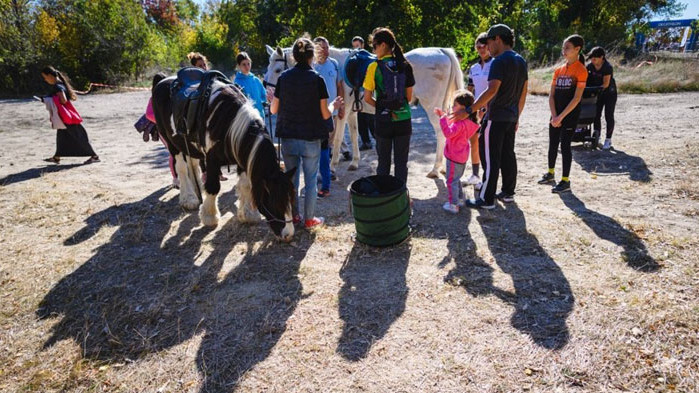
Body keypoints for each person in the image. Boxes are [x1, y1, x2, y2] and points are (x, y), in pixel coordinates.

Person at [271, 37, 343, 228]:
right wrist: (333, 105)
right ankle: (309, 219)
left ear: (293, 56)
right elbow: (325, 113)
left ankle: (294, 217)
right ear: (313, 55)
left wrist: (272, 98)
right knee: (311, 181)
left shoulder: (283, 78)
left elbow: (273, 110)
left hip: (288, 136)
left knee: (291, 180)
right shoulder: (317, 79)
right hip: (311, 137)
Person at [454, 24, 528, 210]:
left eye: (489, 42)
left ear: (498, 39)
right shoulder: (521, 61)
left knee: (490, 158)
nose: (487, 47)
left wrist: (469, 109)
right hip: (511, 116)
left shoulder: (498, 61)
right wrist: (517, 116)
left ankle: (486, 199)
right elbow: (523, 93)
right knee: (508, 154)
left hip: (496, 117)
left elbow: (492, 90)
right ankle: (508, 192)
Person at [363, 27, 415, 185]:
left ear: (383, 45)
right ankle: (400, 198)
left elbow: (367, 98)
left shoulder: (374, 67)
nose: (373, 50)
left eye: (374, 46)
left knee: (383, 163)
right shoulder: (406, 65)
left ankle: (383, 198)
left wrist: (380, 107)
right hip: (403, 119)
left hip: (383, 121)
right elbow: (409, 97)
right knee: (401, 164)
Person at [538, 34, 588, 193]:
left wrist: (561, 117)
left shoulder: (581, 70)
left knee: (565, 146)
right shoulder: (559, 70)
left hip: (569, 116)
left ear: (577, 49)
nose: (564, 51)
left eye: (567, 48)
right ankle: (550, 173)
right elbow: (551, 95)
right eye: (563, 47)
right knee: (552, 144)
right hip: (555, 115)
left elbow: (577, 98)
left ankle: (565, 181)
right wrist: (554, 116)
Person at [40, 66, 100, 164]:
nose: (45, 80)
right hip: (65, 114)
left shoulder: (58, 86)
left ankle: (94, 156)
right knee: (62, 136)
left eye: (45, 77)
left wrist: (48, 100)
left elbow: (63, 100)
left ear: (50, 75)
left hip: (65, 115)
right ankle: (56, 157)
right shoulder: (60, 84)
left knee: (78, 135)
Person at [434, 90, 480, 213]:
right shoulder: (468, 122)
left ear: (463, 108)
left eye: (455, 105)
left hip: (454, 156)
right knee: (456, 178)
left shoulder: (460, 123)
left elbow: (448, 133)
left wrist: (443, 119)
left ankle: (453, 204)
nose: (452, 107)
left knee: (451, 181)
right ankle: (459, 199)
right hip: (461, 156)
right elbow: (453, 129)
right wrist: (445, 116)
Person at [313, 36, 345, 198]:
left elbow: (340, 86)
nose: (326, 50)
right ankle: (321, 174)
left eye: (327, 47)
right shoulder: (312, 66)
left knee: (329, 143)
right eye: (322, 47)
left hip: (332, 113)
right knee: (319, 145)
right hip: (316, 115)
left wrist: (342, 106)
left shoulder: (334, 63)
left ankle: (326, 170)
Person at [465, 32, 493, 187]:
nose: (481, 49)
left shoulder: (495, 64)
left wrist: (485, 108)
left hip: (490, 109)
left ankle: (487, 177)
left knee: (487, 145)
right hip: (475, 110)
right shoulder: (474, 67)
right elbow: (470, 90)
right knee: (474, 142)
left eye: (484, 46)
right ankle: (475, 176)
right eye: (478, 46)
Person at [144, 73, 178, 188]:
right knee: (173, 152)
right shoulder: (154, 98)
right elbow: (148, 114)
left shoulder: (170, 95)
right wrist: (161, 120)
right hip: (162, 129)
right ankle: (175, 178)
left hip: (172, 127)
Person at [586, 46, 617, 150]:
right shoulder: (590, 66)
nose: (593, 60)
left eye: (595, 58)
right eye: (592, 58)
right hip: (597, 93)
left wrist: (594, 88)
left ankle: (608, 140)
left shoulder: (607, 67)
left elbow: (605, 84)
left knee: (608, 115)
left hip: (609, 94)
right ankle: (596, 137)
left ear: (602, 57)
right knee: (596, 115)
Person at [352, 35, 375, 151]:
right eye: (354, 46)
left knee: (371, 118)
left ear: (362, 45)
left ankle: (377, 138)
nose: (356, 48)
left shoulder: (368, 59)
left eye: (358, 45)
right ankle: (366, 141)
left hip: (367, 91)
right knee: (361, 119)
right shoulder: (353, 60)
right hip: (358, 93)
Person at [233, 51, 267, 119]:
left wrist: (264, 103)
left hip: (260, 115)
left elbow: (264, 95)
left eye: (248, 63)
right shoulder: (236, 83)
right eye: (244, 64)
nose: (247, 66)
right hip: (247, 119)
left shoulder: (256, 80)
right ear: (239, 66)